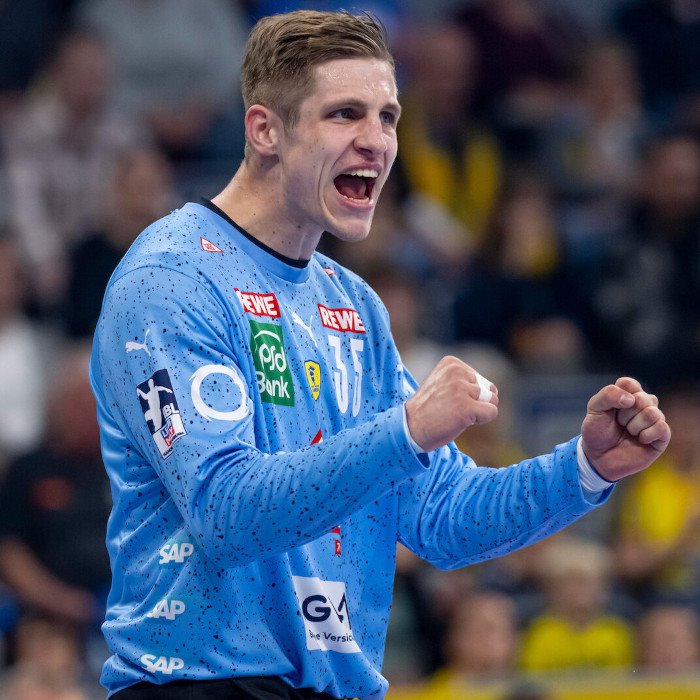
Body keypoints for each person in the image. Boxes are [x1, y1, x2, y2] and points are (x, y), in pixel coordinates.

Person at [89, 10, 671, 699]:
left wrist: (585, 468)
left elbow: (441, 518)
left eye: (388, 117)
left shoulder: (354, 305)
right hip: (201, 684)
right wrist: (408, 430)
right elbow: (225, 514)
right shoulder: (172, 277)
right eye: (345, 114)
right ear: (265, 130)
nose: (376, 141)